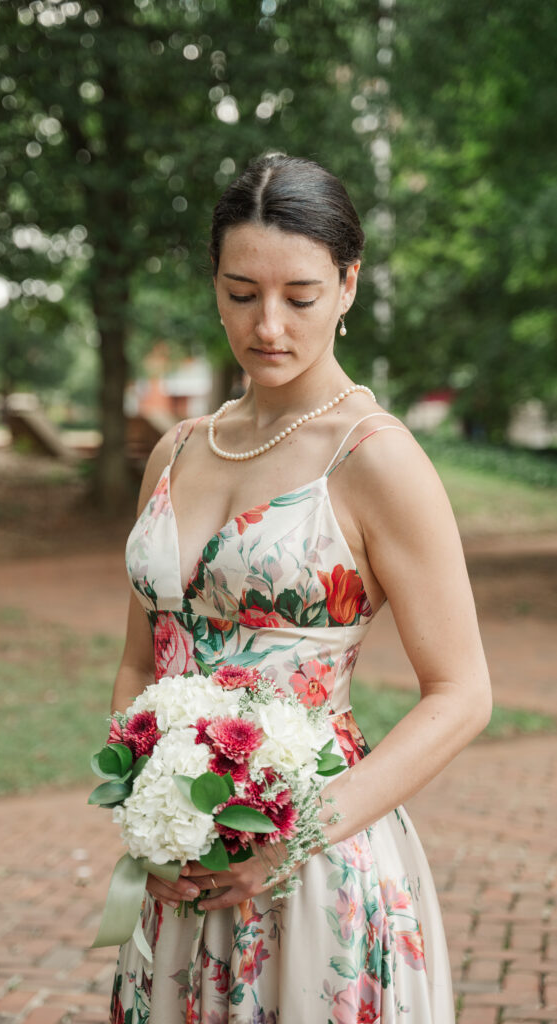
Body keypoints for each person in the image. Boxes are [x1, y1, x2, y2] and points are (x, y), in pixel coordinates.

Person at [109, 153, 491, 1023]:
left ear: (348, 285)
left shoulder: (376, 459)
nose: (267, 325)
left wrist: (295, 837)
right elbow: (139, 661)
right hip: (179, 878)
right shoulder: (177, 452)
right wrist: (148, 810)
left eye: (300, 296)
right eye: (241, 294)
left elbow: (462, 693)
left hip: (316, 871)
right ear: (213, 285)